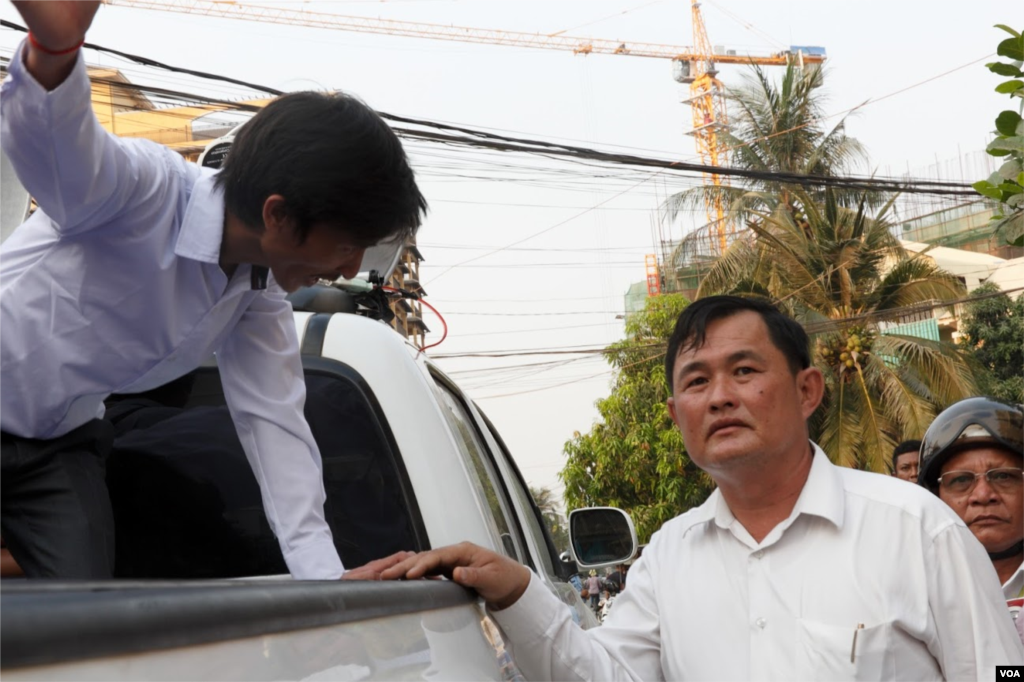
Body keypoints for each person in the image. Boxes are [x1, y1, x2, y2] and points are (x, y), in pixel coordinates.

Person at [381, 295, 1024, 680]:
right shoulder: (670, 557)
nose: (719, 397)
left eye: (744, 371)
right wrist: (515, 589)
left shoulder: (915, 527)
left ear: (808, 391)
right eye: (696, 382)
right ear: (675, 416)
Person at [0, 0, 425, 579]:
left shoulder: (257, 292)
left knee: (81, 616)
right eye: (346, 244)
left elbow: (275, 426)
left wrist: (328, 588)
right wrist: (54, 54)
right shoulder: (145, 190)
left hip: (59, 442)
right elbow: (62, 157)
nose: (347, 268)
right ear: (278, 214)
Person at [918, 398, 1024, 621]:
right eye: (960, 480)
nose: (983, 496)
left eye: (1003, 476)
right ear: (935, 496)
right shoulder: (911, 589)